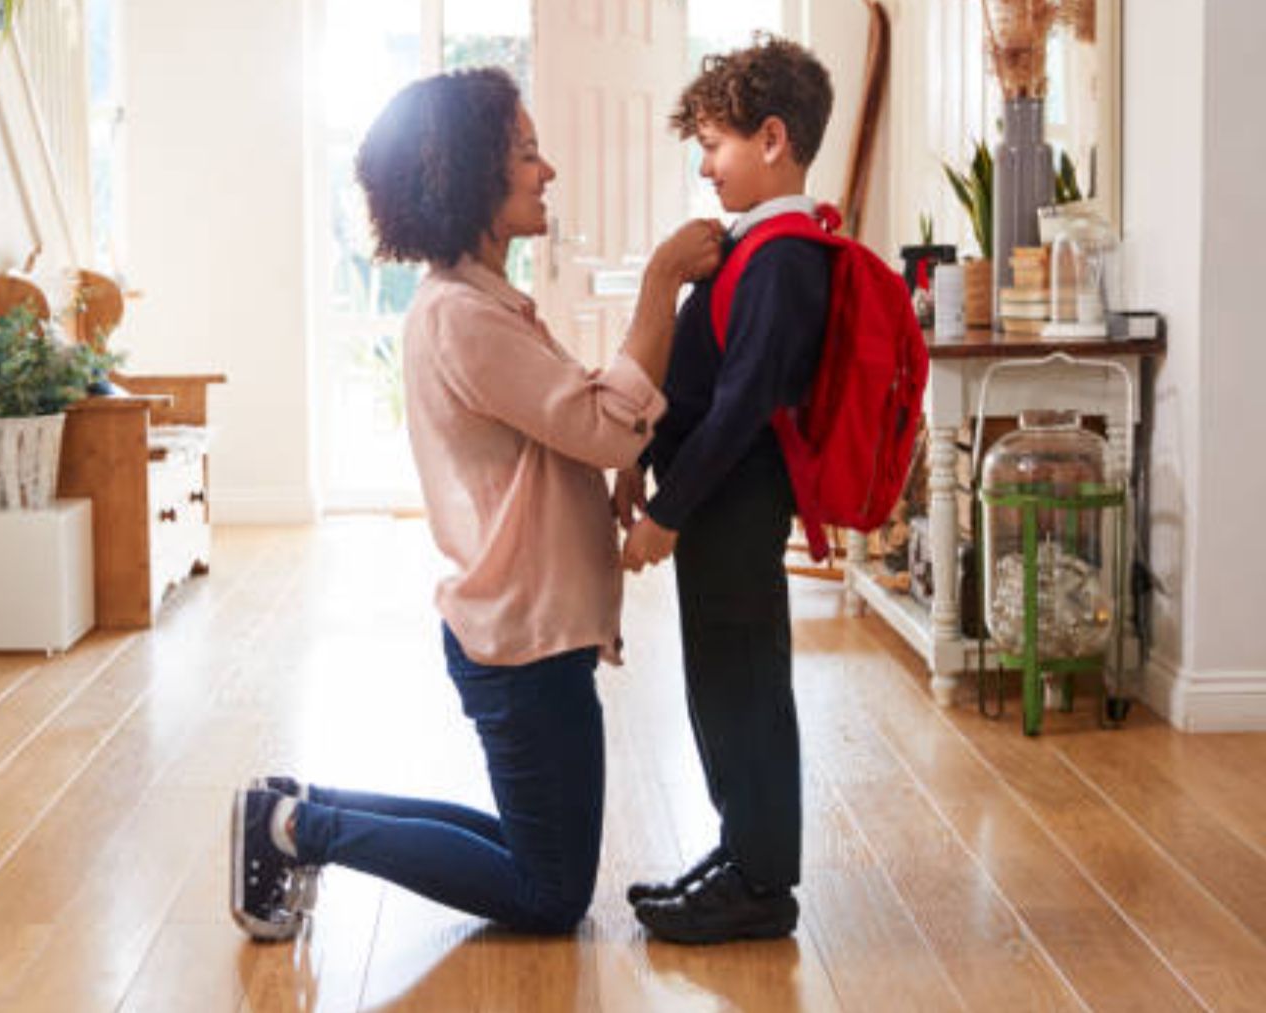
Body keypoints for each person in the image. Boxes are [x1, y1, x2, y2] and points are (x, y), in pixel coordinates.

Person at [230, 66, 723, 940]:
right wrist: (660, 284)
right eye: (527, 154)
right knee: (549, 892)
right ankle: (301, 829)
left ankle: (296, 806)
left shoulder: (479, 302)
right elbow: (606, 425)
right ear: (468, 178)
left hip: (524, 627)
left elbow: (569, 427)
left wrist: (609, 458)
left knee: (534, 850)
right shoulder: (465, 316)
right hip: (523, 638)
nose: (549, 171)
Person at [613, 35, 836, 944]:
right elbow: (702, 382)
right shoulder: (753, 248)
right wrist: (641, 455)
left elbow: (743, 405)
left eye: (715, 145)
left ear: (772, 138)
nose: (705, 166)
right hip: (718, 508)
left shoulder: (784, 255)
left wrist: (668, 512)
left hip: (734, 508)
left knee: (743, 686)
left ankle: (761, 881)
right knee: (718, 681)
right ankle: (742, 851)